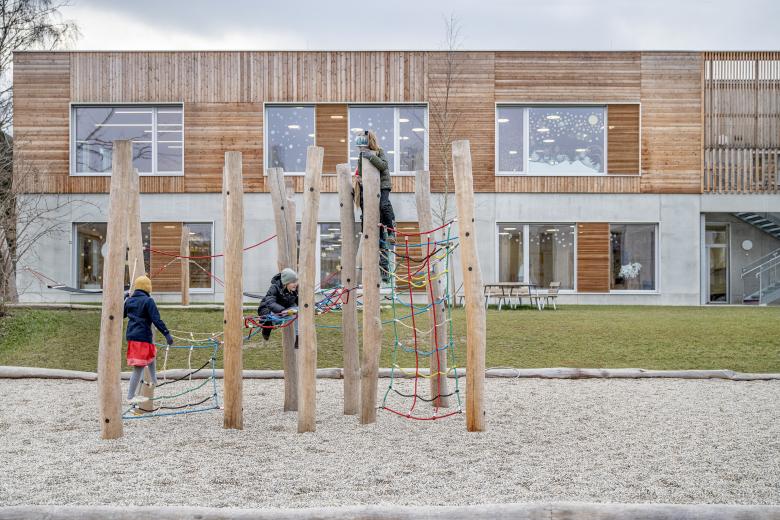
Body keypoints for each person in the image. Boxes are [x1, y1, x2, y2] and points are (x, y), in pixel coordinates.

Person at [123, 275, 173, 405]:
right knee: (139, 367)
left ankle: (154, 381)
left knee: (151, 355)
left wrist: (125, 300)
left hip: (137, 336)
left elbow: (122, 314)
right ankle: (130, 396)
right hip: (141, 337)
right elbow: (156, 319)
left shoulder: (130, 300)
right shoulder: (148, 301)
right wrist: (166, 334)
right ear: (147, 287)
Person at [355, 130, 396, 283]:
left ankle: (391, 230)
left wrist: (370, 156)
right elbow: (361, 171)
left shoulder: (379, 152)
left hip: (382, 186)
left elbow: (383, 166)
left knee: (384, 206)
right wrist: (360, 180)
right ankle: (382, 269)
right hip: (370, 190)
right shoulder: (361, 156)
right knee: (377, 235)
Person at [258, 268, 299, 345]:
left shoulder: (294, 290)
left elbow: (299, 301)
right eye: (293, 282)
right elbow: (270, 302)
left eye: (296, 281)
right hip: (267, 310)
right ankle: (268, 324)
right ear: (286, 282)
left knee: (298, 311)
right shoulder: (275, 287)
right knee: (273, 319)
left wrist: (311, 306)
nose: (295, 284)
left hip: (283, 310)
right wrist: (282, 311)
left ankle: (298, 337)